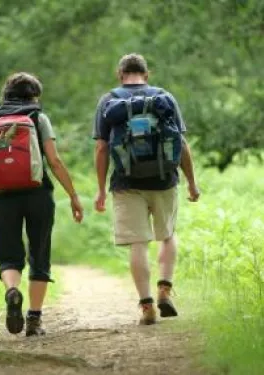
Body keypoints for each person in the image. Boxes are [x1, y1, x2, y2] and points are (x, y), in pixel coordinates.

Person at [93, 54, 200, 325]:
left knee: (138, 244)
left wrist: (101, 190)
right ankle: (164, 289)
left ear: (120, 74)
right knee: (167, 235)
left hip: (126, 183)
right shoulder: (164, 97)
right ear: (146, 74)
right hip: (164, 180)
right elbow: (181, 142)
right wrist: (191, 182)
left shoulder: (109, 101)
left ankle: (146, 306)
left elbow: (102, 147)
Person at [0, 72, 84, 336]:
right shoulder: (38, 118)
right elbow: (54, 161)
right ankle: (34, 319)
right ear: (34, 95)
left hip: (2, 197)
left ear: (6, 93)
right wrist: (73, 195)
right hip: (38, 194)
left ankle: (12, 291)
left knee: (8, 256)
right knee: (39, 253)